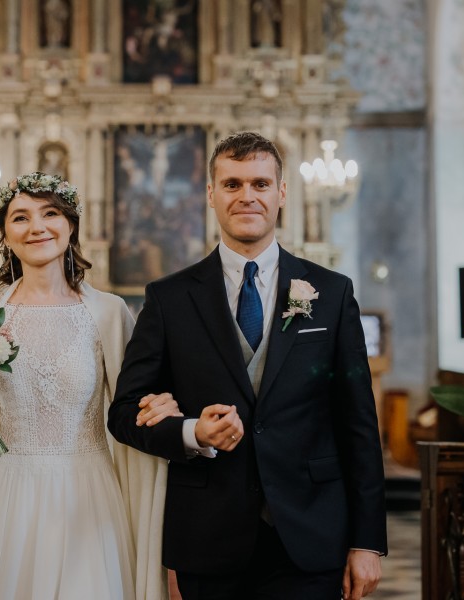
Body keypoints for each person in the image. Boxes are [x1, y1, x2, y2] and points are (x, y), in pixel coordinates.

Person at [108, 132, 387, 600]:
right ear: (211, 194)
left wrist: (367, 540)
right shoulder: (169, 298)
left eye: (260, 183)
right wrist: (193, 433)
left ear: (281, 193)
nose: (247, 196)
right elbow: (123, 412)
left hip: (311, 532)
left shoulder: (332, 293)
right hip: (207, 536)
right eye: (232, 184)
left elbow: (358, 422)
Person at [0, 172, 176, 599]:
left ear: (71, 225)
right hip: (6, 495)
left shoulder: (109, 313)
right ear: (4, 235)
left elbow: (133, 407)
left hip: (88, 497)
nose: (37, 227)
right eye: (20, 217)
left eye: (50, 213)